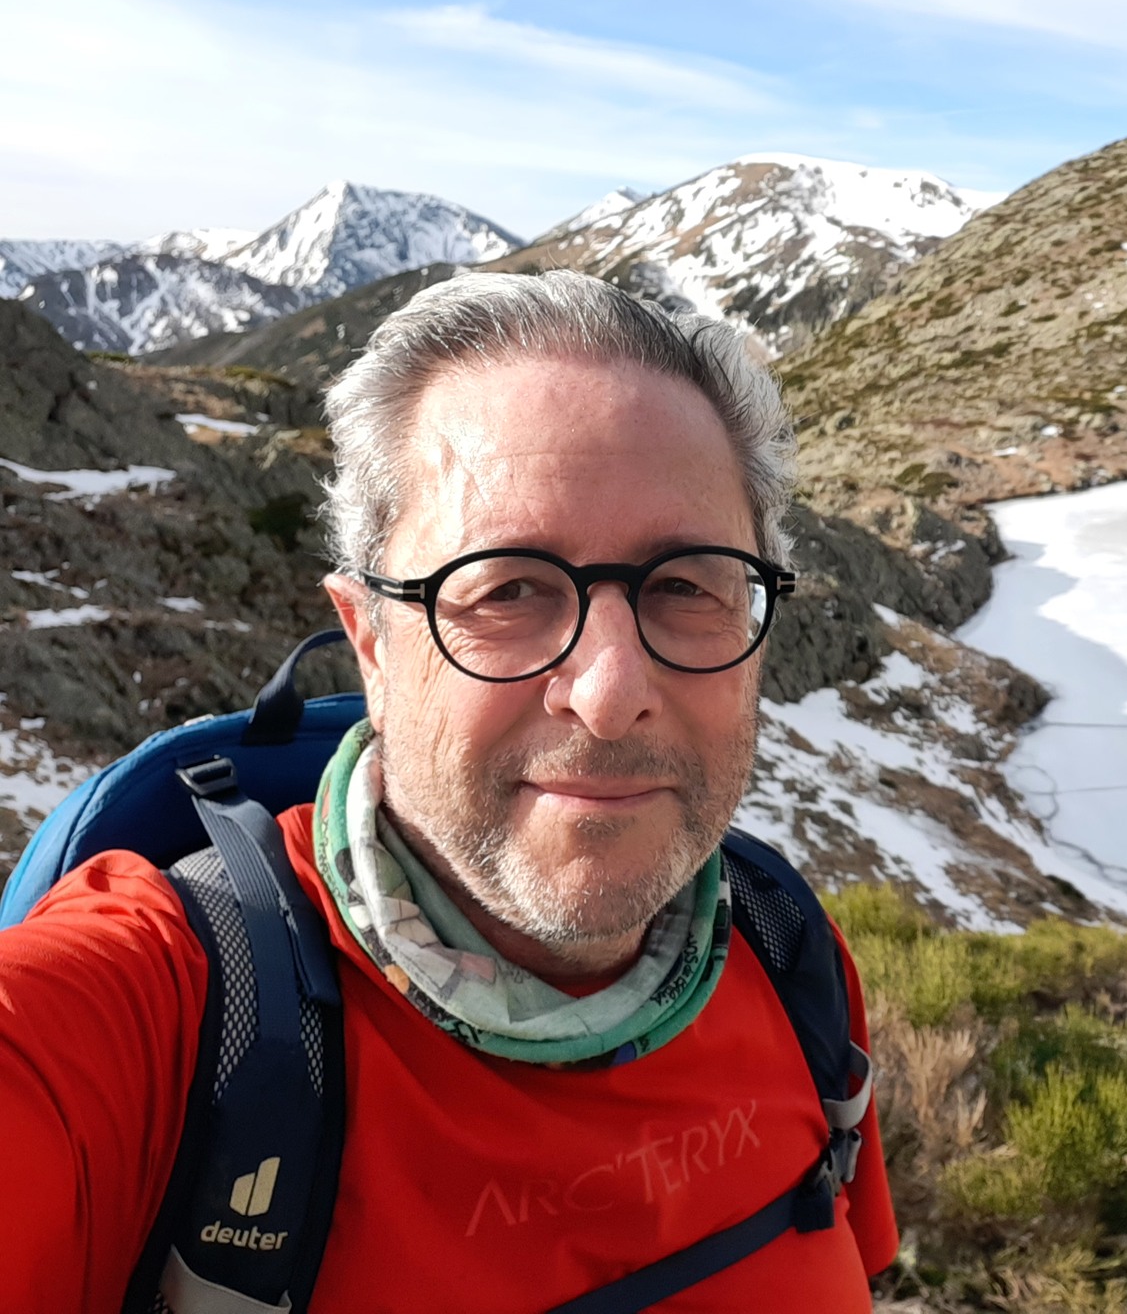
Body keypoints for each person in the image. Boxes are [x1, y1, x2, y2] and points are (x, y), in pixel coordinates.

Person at [0, 270, 897, 1310]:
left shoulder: (789, 955)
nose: (609, 695)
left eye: (687, 584)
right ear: (369, 641)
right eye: (508, 588)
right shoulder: (158, 1016)